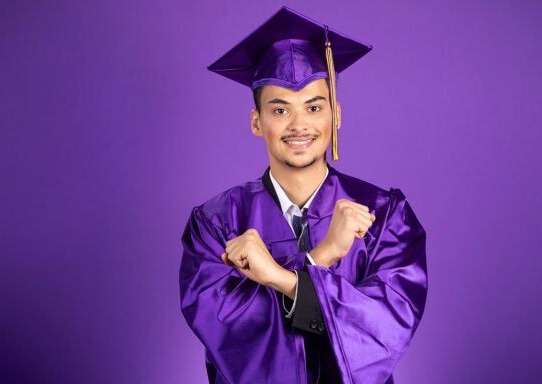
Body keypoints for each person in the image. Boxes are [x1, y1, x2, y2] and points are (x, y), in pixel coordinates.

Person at [180, 7, 428, 384]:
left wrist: (282, 279)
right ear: (256, 122)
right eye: (280, 109)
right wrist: (321, 257)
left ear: (337, 115)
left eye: (314, 107)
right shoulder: (215, 225)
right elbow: (228, 339)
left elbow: (386, 327)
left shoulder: (384, 215)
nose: (299, 125)